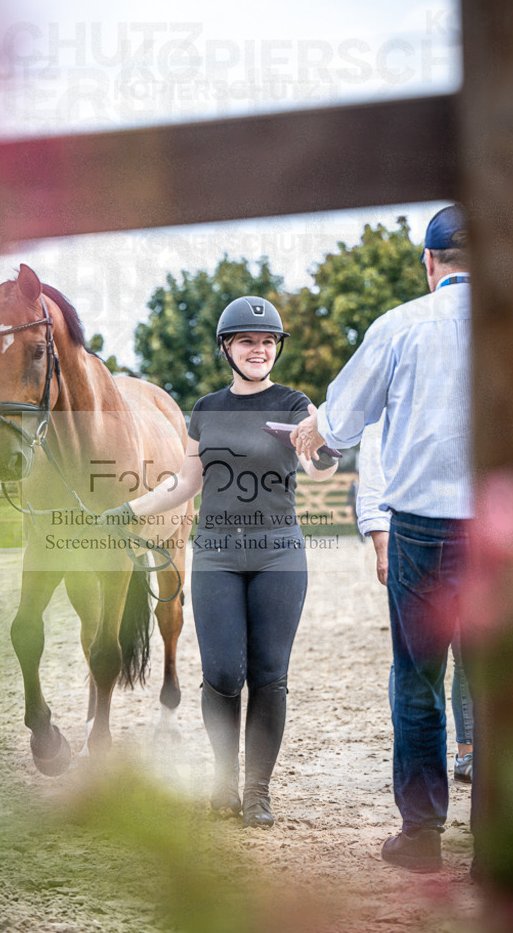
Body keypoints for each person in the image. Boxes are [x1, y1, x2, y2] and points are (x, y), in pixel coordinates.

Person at [97, 297, 338, 827]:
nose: (260, 349)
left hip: (278, 555)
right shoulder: (205, 410)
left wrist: (321, 439)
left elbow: (318, 465)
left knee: (269, 676)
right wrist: (126, 510)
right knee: (224, 673)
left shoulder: (296, 404)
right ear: (227, 347)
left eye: (268, 341)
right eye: (249, 341)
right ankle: (223, 780)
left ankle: (257, 791)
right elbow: (184, 485)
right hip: (217, 557)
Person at [292, 204, 473, 872]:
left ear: (428, 264)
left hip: (420, 527)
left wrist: (315, 431)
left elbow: (339, 427)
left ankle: (420, 837)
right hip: (501, 524)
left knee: (417, 678)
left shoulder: (399, 326)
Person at [356, 419, 474, 784]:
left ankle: (470, 752)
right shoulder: (402, 369)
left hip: (475, 525)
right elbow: (372, 455)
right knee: (417, 656)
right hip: (415, 532)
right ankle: (419, 755)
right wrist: (380, 540)